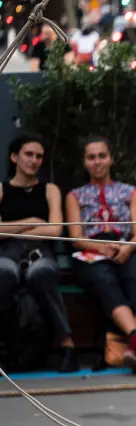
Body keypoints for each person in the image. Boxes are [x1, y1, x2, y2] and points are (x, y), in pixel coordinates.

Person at [66, 137, 136, 372]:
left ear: (111, 159)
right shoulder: (75, 196)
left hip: (127, 247)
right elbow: (76, 238)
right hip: (92, 251)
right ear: (85, 162)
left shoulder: (131, 192)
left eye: (102, 156)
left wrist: (126, 248)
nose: (97, 162)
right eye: (91, 157)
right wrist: (101, 248)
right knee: (103, 279)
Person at [0, 133, 77, 373]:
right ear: (14, 157)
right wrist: (32, 221)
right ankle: (6, 347)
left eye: (39, 156)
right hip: (6, 254)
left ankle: (67, 345)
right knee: (4, 272)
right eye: (28, 154)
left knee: (41, 273)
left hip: (39, 252)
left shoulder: (50, 190)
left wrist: (10, 229)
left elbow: (54, 230)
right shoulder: (2, 189)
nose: (34, 161)